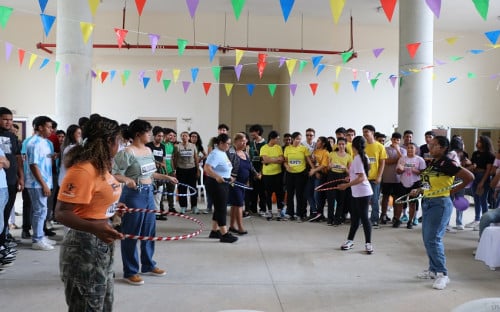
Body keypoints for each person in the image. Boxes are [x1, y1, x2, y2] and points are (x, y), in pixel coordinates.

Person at [55, 115, 125, 311]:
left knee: (103, 302)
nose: (119, 145)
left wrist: (111, 208)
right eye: (118, 141)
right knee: (87, 303)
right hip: (83, 244)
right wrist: (94, 227)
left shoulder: (102, 167)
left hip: (102, 239)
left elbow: (97, 197)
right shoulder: (83, 171)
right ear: (109, 141)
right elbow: (61, 213)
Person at [112, 119, 178, 286]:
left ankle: (148, 264)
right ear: (138, 134)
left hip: (149, 194)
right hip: (134, 195)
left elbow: (151, 174)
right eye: (148, 132)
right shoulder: (127, 152)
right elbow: (114, 174)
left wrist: (167, 177)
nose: (150, 135)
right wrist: (127, 179)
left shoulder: (148, 150)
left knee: (149, 231)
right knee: (132, 233)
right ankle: (130, 271)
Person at [414, 136, 473, 290]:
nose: (429, 147)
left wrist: (452, 190)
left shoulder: (448, 163)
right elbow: (429, 183)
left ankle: (443, 274)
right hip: (427, 202)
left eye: (433, 145)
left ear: (443, 148)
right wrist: (419, 189)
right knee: (427, 238)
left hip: (439, 204)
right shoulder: (432, 163)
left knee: (434, 239)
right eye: (429, 145)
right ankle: (433, 270)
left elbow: (469, 177)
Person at [336, 136, 374, 254]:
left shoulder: (358, 158)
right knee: (355, 219)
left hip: (362, 193)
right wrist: (350, 177)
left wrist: (345, 186)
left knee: (364, 218)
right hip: (357, 192)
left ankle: (368, 244)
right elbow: (360, 175)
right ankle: (350, 241)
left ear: (353, 146)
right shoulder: (362, 157)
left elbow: (361, 178)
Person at [25, 115, 56, 251]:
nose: (51, 130)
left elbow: (42, 159)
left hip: (44, 181)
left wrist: (52, 156)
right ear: (40, 127)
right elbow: (33, 165)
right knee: (39, 211)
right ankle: (37, 240)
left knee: (42, 210)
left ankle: (41, 236)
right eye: (48, 127)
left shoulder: (44, 142)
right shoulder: (34, 143)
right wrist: (43, 184)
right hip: (36, 183)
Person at [204, 133, 238, 243]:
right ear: (221, 143)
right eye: (227, 144)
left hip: (223, 182)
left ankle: (215, 230)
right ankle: (224, 233)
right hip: (215, 183)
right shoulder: (215, 154)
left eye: (229, 144)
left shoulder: (222, 152)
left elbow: (224, 168)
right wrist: (217, 177)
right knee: (221, 208)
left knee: (219, 206)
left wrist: (229, 177)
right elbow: (207, 168)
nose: (229, 146)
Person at [0, 107, 23, 254]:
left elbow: (17, 157)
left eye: (11, 119)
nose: (9, 122)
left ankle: (4, 238)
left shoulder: (12, 136)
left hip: (11, 180)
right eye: (5, 119)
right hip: (1, 182)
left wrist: (21, 177)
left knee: (6, 213)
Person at [227, 133, 258, 234]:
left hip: (243, 183)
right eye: (242, 141)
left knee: (235, 205)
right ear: (236, 141)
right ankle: (240, 228)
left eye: (245, 141)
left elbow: (250, 166)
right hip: (234, 183)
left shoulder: (245, 153)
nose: (244, 143)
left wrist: (256, 174)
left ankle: (232, 226)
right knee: (239, 204)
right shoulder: (231, 152)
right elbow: (227, 166)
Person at [465, 135, 495, 229]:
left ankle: (485, 220)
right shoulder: (475, 153)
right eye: (477, 141)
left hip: (483, 177)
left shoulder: (490, 155)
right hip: (475, 176)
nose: (477, 143)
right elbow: (473, 165)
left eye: (479, 141)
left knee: (483, 200)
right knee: (476, 199)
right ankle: (477, 219)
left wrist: (482, 182)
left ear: (485, 143)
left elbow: (488, 170)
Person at [284, 132, 314, 221]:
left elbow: (308, 160)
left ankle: (300, 214)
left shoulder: (304, 148)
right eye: (297, 139)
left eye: (300, 139)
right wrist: (287, 166)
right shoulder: (287, 148)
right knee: (290, 194)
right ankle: (290, 214)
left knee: (300, 195)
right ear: (292, 139)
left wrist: (314, 170)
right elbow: (285, 161)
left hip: (301, 174)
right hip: (290, 174)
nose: (298, 141)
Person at [395, 143, 426, 229]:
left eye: (412, 148)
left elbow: (424, 173)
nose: (410, 149)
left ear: (415, 150)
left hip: (415, 183)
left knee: (412, 203)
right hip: (402, 182)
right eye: (408, 148)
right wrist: (400, 170)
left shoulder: (420, 159)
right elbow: (397, 171)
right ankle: (397, 220)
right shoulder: (402, 159)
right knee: (400, 203)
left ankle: (410, 221)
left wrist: (416, 171)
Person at [362, 125, 387, 227]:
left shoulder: (380, 146)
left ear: (372, 132)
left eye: (366, 131)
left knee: (374, 200)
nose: (364, 133)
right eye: (363, 131)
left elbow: (382, 163)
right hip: (363, 178)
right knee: (364, 201)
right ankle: (364, 220)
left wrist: (379, 176)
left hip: (374, 179)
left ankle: (374, 220)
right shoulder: (362, 146)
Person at [380, 132, 406, 225]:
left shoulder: (402, 150)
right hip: (387, 177)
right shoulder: (385, 149)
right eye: (394, 139)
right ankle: (383, 215)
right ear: (391, 140)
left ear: (400, 141)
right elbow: (386, 161)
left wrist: (397, 150)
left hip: (398, 179)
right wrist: (397, 160)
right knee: (385, 197)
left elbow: (403, 160)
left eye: (398, 140)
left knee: (397, 198)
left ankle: (396, 217)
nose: (395, 141)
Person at [326, 137, 351, 226]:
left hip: (342, 177)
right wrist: (330, 165)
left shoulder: (349, 156)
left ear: (345, 145)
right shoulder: (332, 154)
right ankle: (330, 219)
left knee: (341, 200)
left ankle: (337, 219)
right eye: (339, 144)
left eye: (343, 144)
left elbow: (350, 172)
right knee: (331, 199)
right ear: (337, 144)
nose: (341, 146)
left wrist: (345, 169)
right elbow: (327, 168)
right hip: (332, 176)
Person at [259, 131, 284, 220]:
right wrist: (276, 159)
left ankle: (279, 212)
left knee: (279, 193)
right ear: (272, 138)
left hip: (278, 173)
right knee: (268, 194)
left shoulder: (278, 148)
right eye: (277, 138)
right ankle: (269, 211)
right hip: (267, 174)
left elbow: (281, 160)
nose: (278, 140)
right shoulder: (264, 148)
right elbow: (264, 160)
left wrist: (270, 160)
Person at [173, 131, 199, 214]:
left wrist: (197, 170)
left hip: (191, 169)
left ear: (188, 137)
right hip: (181, 169)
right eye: (183, 136)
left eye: (186, 136)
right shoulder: (177, 146)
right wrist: (175, 170)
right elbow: (175, 159)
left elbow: (196, 158)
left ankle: (194, 206)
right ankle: (183, 207)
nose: (184, 137)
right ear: (181, 137)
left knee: (193, 188)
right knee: (182, 189)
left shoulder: (193, 146)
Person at [145, 126, 168, 220]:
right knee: (152, 192)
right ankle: (151, 212)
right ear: (154, 136)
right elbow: (147, 159)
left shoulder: (163, 146)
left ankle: (157, 212)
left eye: (162, 136)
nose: (160, 138)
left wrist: (166, 172)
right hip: (150, 172)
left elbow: (164, 160)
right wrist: (157, 163)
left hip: (160, 172)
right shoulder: (148, 146)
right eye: (159, 136)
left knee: (159, 193)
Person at [308, 136, 331, 221]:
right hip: (314, 173)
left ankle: (319, 213)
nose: (316, 142)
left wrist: (315, 171)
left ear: (323, 143)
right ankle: (316, 212)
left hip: (321, 175)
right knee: (308, 193)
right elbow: (312, 161)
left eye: (318, 141)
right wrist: (314, 170)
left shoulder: (326, 152)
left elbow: (324, 165)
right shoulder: (315, 151)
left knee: (317, 195)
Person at [248, 124, 267, 216]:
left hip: (262, 171)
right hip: (252, 170)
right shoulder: (251, 144)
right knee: (253, 191)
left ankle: (263, 209)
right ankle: (253, 209)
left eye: (253, 133)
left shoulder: (265, 144)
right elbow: (249, 157)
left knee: (262, 191)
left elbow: (265, 160)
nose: (252, 135)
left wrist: (260, 172)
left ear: (258, 132)